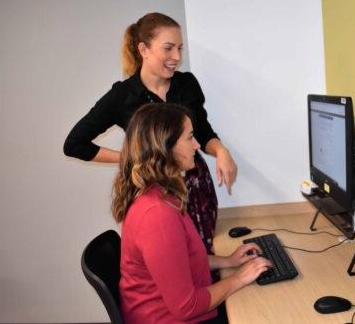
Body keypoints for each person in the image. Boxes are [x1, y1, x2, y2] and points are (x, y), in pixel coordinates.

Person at [63, 12, 235, 254]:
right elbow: (75, 144)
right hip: (156, 195)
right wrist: (132, 157)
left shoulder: (187, 84)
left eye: (180, 48)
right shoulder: (123, 96)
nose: (176, 57)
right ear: (144, 49)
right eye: (168, 48)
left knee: (203, 259)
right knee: (172, 264)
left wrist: (221, 150)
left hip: (196, 190)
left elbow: (204, 132)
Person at [112, 103, 271, 324]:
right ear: (165, 147)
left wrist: (228, 261)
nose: (196, 145)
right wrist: (239, 278)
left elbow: (181, 261)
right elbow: (186, 307)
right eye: (190, 138)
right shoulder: (157, 215)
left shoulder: (162, 195)